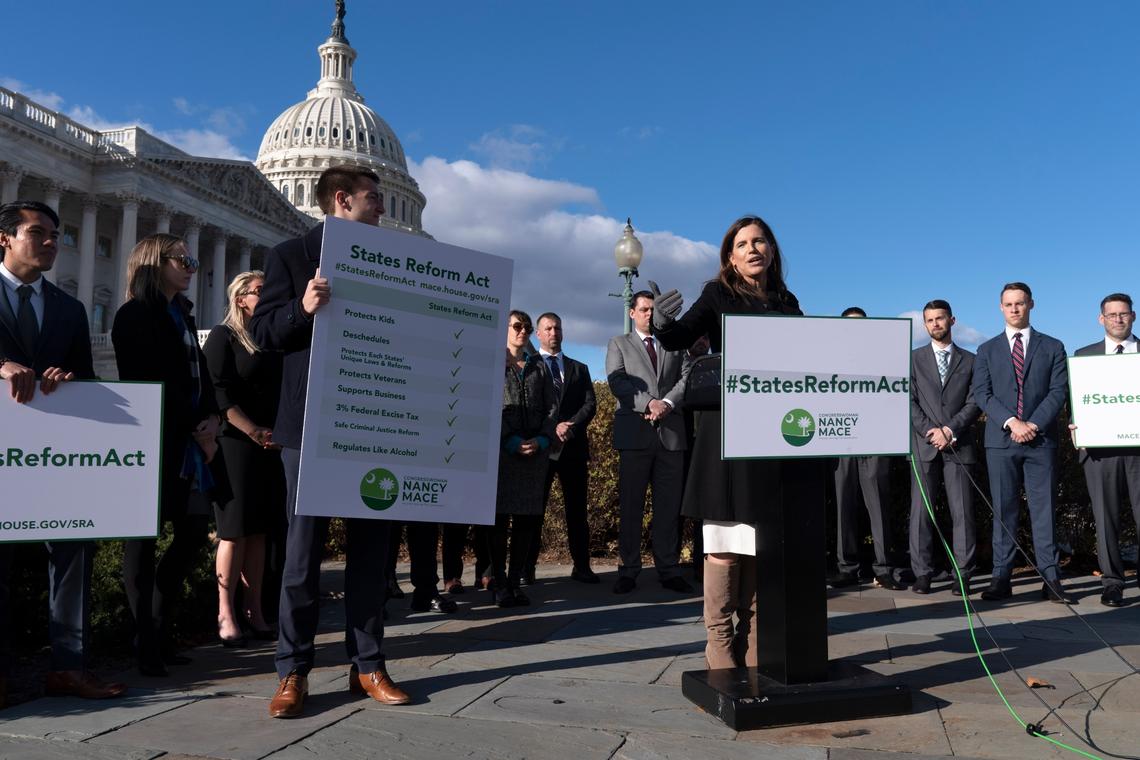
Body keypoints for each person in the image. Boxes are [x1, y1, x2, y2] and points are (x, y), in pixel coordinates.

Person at [250, 164, 409, 718]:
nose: (383, 210)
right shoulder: (290, 255)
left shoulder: (393, 265)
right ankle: (292, 671)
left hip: (375, 423)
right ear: (341, 200)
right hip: (312, 426)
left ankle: (368, 664)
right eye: (374, 199)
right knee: (302, 555)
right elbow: (266, 333)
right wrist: (303, 309)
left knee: (372, 553)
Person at [651, 214, 803, 668]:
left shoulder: (788, 300)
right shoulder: (718, 295)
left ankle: (751, 644)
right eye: (742, 244)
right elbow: (679, 335)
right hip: (726, 431)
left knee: (759, 540)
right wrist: (661, 322)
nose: (753, 249)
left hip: (772, 434)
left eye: (760, 241)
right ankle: (719, 646)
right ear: (730, 257)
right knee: (723, 539)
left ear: (772, 251)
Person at [0, 200, 126, 704]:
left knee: (74, 556)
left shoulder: (70, 309)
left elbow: (88, 381)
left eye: (56, 234)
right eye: (40, 233)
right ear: (4, 238)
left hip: (55, 458)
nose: (52, 241)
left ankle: (68, 669)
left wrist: (68, 380)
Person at [113, 233, 224, 676]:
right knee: (141, 540)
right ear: (155, 262)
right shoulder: (134, 316)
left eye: (194, 259)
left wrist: (213, 419)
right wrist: (193, 426)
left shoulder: (182, 315)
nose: (192, 267)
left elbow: (202, 379)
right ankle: (145, 640)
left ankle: (159, 628)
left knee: (195, 530)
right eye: (184, 259)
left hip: (191, 441)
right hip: (154, 439)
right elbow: (146, 379)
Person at [972, 282, 1073, 604]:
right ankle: (1001, 577)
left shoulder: (1053, 346)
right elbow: (982, 394)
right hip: (1001, 442)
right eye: (1008, 304)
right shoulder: (986, 350)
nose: (1014, 309)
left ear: (1031, 305)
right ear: (1000, 307)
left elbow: (1058, 391)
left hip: (1040, 440)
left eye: (1020, 303)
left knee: (1044, 512)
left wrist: (1032, 423)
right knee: (1004, 511)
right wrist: (1012, 422)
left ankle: (1051, 578)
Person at [203, 271, 285, 644]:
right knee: (234, 531)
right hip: (236, 441)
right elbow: (218, 391)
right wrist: (251, 429)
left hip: (270, 442)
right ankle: (225, 609)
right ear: (240, 299)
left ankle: (255, 607)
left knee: (260, 532)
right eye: (259, 291)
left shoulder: (271, 339)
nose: (267, 297)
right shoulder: (224, 337)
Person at [606, 290, 693, 594]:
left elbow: (687, 377)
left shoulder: (674, 343)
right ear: (632, 313)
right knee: (631, 506)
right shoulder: (619, 343)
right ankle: (628, 570)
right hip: (635, 437)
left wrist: (667, 403)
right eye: (643, 309)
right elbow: (617, 381)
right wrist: (649, 404)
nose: (649, 315)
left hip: (671, 436)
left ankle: (668, 569)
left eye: (653, 310)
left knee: (668, 509)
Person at [828, 306, 906, 591]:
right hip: (841, 439)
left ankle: (884, 568)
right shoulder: (830, 359)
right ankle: (846, 567)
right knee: (843, 504)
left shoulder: (884, 357)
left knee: (879, 506)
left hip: (875, 439)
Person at [908, 299, 980, 595]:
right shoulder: (913, 359)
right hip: (924, 445)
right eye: (930, 320)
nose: (935, 324)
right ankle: (922, 573)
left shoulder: (972, 360)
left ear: (952, 320)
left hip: (958, 444)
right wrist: (929, 430)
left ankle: (962, 573)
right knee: (921, 511)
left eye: (940, 318)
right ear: (925, 325)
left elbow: (975, 401)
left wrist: (950, 429)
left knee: (962, 511)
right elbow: (907, 400)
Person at [1072, 293, 1139, 607]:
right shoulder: (1084, 356)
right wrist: (1077, 427)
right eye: (1111, 314)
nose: (1118, 319)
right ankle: (1113, 583)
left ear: (1133, 316)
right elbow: (1080, 402)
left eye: (1123, 313)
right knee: (1106, 518)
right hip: (1100, 450)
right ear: (1101, 319)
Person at [492, 310, 557, 607]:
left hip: (534, 455)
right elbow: (491, 405)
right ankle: (499, 583)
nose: (523, 332)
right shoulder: (494, 364)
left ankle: (516, 580)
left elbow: (551, 408)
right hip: (505, 455)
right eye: (517, 326)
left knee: (526, 522)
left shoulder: (539, 367)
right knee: (499, 520)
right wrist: (510, 441)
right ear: (505, 329)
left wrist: (543, 439)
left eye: (527, 328)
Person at [527, 313, 598, 583]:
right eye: (548, 328)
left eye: (557, 328)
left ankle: (582, 567)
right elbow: (529, 406)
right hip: (540, 449)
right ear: (538, 334)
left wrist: (570, 425)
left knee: (577, 512)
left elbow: (590, 404)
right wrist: (552, 426)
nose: (553, 332)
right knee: (534, 511)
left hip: (573, 449)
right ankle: (526, 568)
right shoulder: (529, 365)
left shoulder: (579, 368)